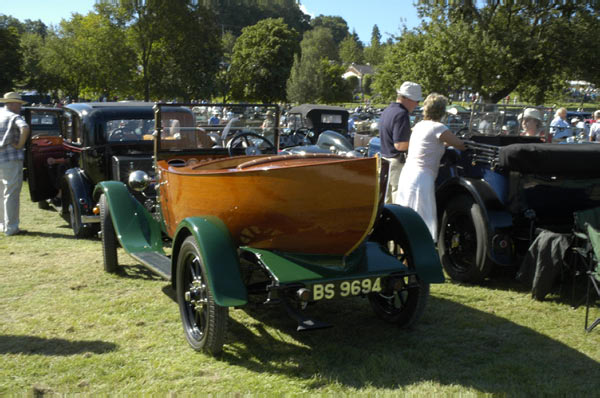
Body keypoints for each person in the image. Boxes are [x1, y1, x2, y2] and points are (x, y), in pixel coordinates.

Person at [395, 93, 466, 241]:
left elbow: (430, 144)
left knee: (407, 215)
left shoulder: (419, 126)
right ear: (442, 111)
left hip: (408, 174)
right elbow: (461, 144)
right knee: (421, 216)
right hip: (422, 177)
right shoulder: (438, 128)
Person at [379, 81, 422, 204]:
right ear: (408, 99)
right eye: (417, 101)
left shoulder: (387, 111)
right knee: (398, 202)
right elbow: (400, 145)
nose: (417, 105)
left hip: (385, 160)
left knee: (386, 202)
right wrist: (418, 140)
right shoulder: (402, 114)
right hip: (396, 163)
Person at [0, 92, 31, 236]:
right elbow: (25, 128)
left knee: (2, 192)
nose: (19, 107)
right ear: (11, 104)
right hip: (10, 158)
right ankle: (12, 227)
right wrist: (19, 144)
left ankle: (2, 224)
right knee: (11, 192)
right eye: (18, 104)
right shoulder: (14, 117)